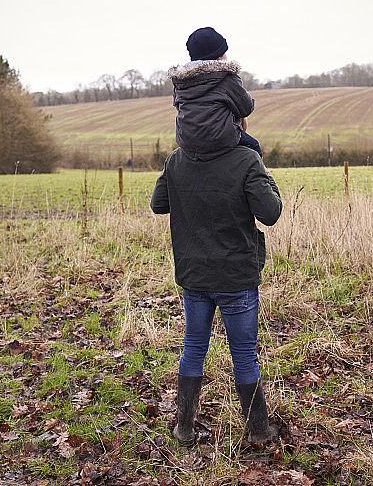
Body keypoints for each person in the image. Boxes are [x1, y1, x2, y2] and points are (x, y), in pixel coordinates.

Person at [150, 29, 282, 446]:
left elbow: (158, 204)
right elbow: (271, 213)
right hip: (236, 276)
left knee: (193, 349)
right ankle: (258, 431)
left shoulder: (176, 160)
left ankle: (184, 428)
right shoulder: (246, 158)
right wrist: (262, 169)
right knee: (244, 355)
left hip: (194, 276)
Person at [167, 26, 263, 160]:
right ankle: (262, 180)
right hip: (220, 140)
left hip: (187, 141)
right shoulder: (227, 77)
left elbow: (178, 107)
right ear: (219, 56)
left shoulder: (180, 81)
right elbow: (246, 108)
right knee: (254, 146)